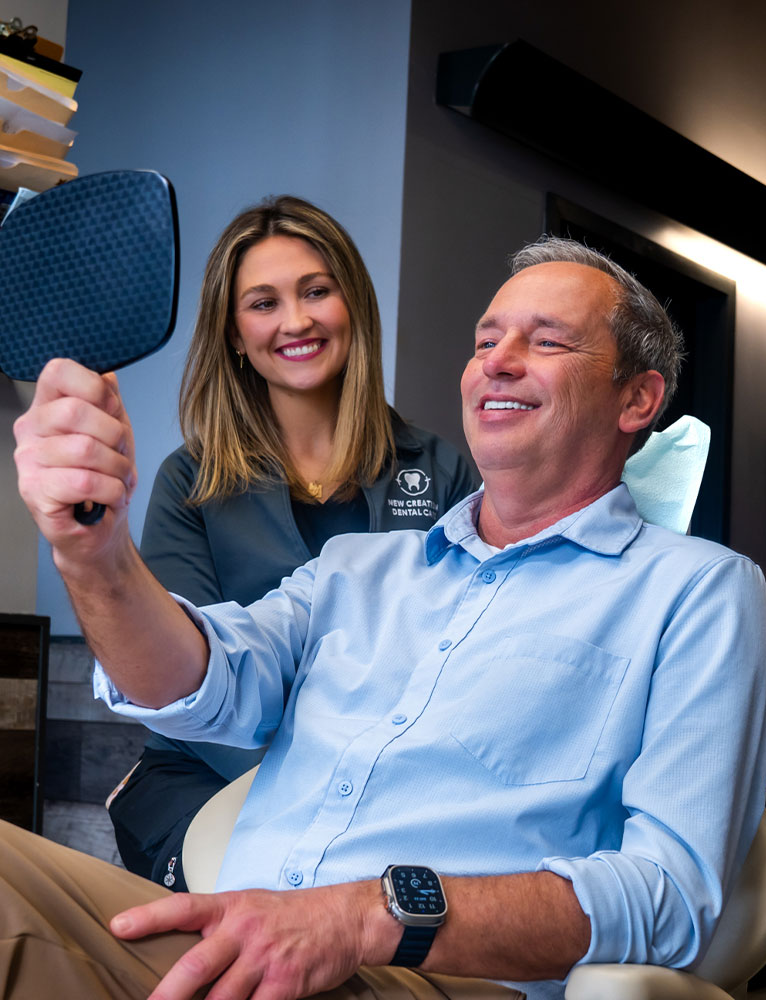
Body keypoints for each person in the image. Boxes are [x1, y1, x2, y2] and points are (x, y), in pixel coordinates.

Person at [0, 236, 766, 1000]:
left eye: (546, 340)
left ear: (636, 400)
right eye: (486, 337)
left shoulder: (695, 595)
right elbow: (197, 677)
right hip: (227, 948)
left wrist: (370, 915)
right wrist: (91, 546)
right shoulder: (361, 572)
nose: (496, 361)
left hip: (413, 978)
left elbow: (670, 896)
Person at [109, 195, 479, 888]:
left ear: (353, 307)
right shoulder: (190, 481)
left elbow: (462, 657)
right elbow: (186, 680)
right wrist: (317, 795)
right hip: (209, 777)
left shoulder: (439, 469)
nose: (297, 320)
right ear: (233, 334)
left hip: (390, 787)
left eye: (316, 292)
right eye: (263, 302)